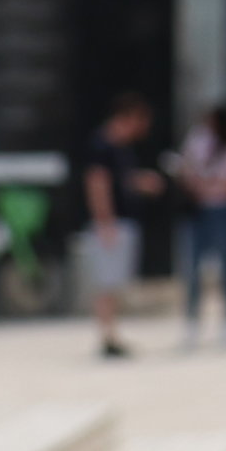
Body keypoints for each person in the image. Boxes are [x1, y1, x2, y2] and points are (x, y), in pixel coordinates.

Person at [77, 92, 158, 360]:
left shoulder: (121, 147)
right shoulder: (103, 144)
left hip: (122, 220)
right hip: (111, 223)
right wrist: (105, 221)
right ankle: (107, 336)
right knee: (107, 282)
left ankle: (112, 333)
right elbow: (97, 183)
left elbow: (121, 180)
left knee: (115, 282)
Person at [171, 102, 226, 341]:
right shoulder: (197, 141)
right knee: (193, 269)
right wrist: (198, 184)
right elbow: (186, 169)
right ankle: (192, 322)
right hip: (199, 212)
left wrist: (214, 185)